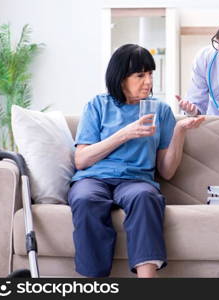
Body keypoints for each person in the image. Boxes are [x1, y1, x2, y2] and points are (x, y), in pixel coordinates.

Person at [68, 44, 205, 278]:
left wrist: (180, 131)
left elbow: (167, 171)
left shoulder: (160, 111)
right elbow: (81, 160)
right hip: (94, 178)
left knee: (145, 197)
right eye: (140, 75)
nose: (148, 82)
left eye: (151, 74)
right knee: (86, 199)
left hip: (136, 180)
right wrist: (126, 133)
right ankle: (94, 282)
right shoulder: (97, 105)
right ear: (121, 78)